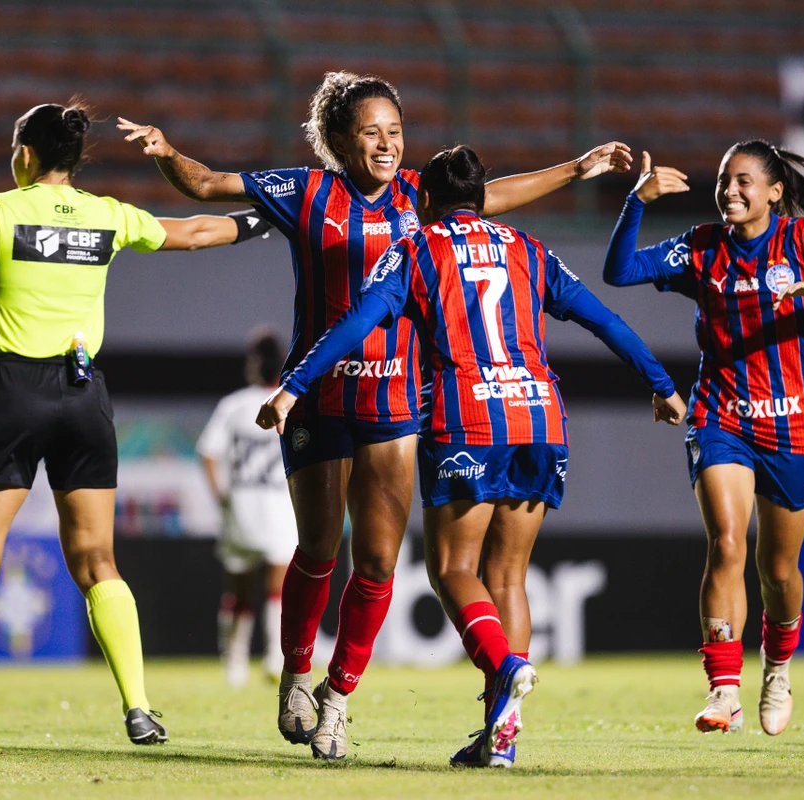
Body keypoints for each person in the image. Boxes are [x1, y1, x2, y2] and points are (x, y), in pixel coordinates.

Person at [118, 71, 634, 759]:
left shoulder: (424, 194)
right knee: (319, 548)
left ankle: (337, 698)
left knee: (380, 562)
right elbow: (209, 186)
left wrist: (576, 168)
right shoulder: (308, 192)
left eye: (395, 130)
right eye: (372, 132)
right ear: (337, 139)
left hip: (394, 401)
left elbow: (495, 196)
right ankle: (297, 673)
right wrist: (165, 154)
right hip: (321, 394)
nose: (388, 144)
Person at [257, 145, 687, 767]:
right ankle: (499, 736)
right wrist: (662, 384)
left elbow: (356, 322)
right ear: (483, 198)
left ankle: (507, 666)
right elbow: (604, 320)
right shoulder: (529, 250)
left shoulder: (415, 249)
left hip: (468, 416)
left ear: (423, 201)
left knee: (453, 570)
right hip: (541, 416)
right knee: (507, 575)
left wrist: (294, 385)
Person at [0, 101, 272, 747]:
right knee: (99, 560)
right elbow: (196, 233)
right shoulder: (104, 214)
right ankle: (140, 709)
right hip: (82, 394)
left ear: (29, 154)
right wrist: (269, 218)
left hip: (9, 391)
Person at [602, 141, 804, 735]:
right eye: (723, 180)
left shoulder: (803, 242)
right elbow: (620, 271)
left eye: (744, 182)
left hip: (792, 425)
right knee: (727, 543)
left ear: (773, 192)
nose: (731, 191)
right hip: (722, 418)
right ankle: (723, 691)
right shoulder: (701, 248)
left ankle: (779, 669)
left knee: (778, 570)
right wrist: (637, 202)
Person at [197, 327, 297, 687]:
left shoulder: (234, 405)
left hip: (240, 505)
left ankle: (234, 663)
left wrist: (220, 493)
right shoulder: (291, 402)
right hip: (280, 506)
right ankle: (275, 656)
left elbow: (207, 451)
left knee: (238, 591)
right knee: (278, 588)